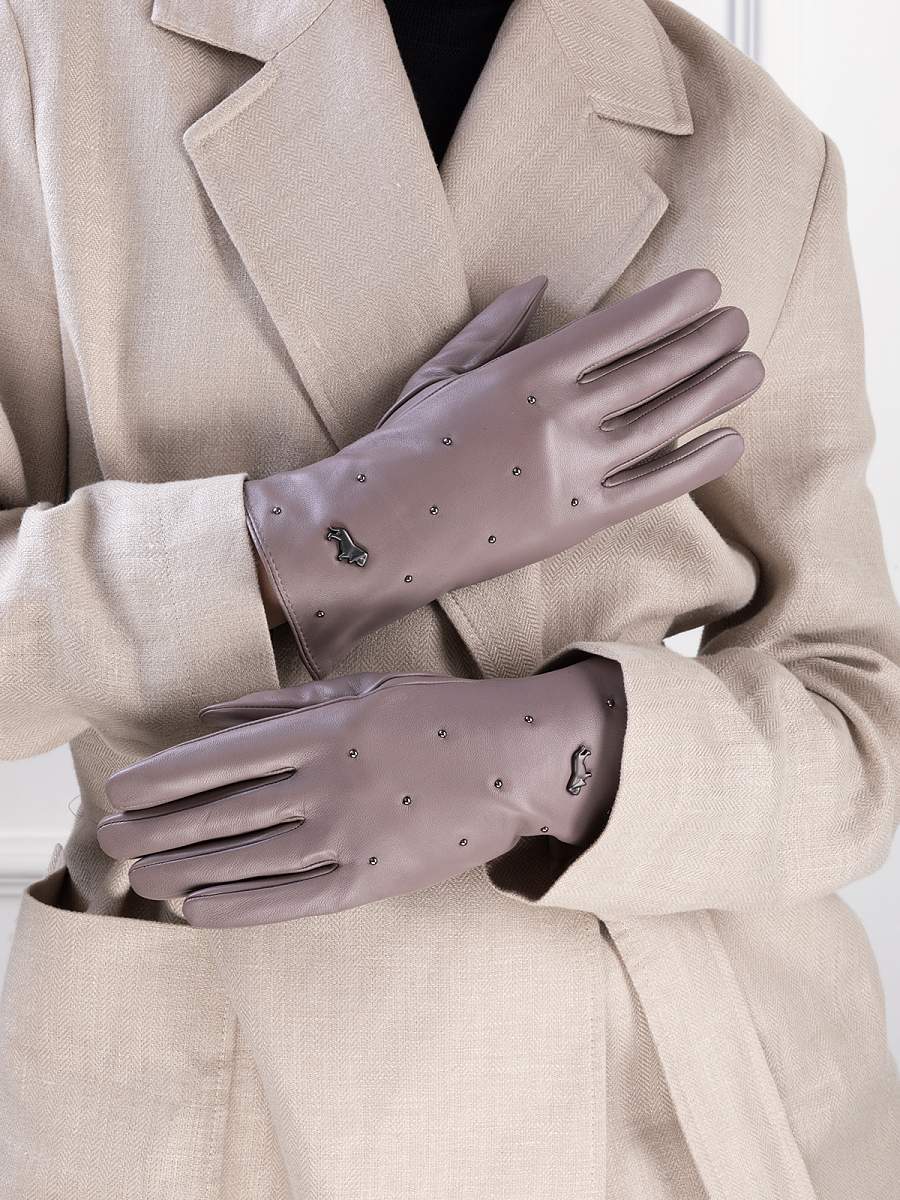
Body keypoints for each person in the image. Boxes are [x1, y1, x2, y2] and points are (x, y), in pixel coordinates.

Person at [1, 0, 898, 1197]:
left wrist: (553, 757)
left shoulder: (758, 151)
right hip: (224, 1078)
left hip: (668, 1090)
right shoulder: (44, 55)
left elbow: (857, 719)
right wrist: (333, 527)